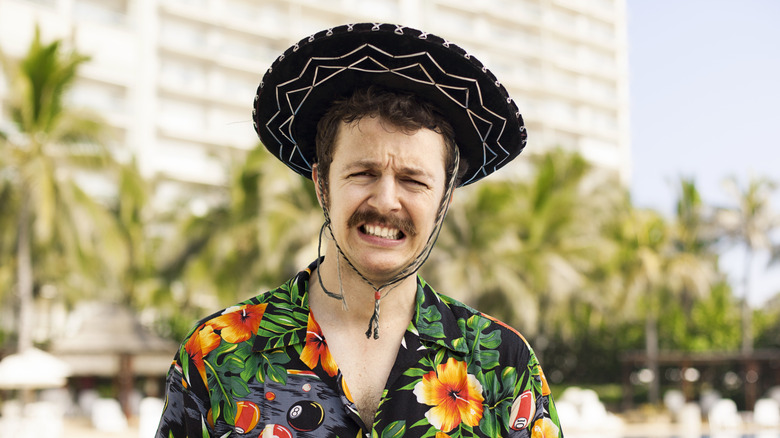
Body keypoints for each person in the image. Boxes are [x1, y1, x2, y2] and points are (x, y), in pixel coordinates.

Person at [156, 23, 563, 438]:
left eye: (413, 180)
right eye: (363, 172)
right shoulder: (215, 354)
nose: (386, 201)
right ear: (322, 184)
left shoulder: (503, 363)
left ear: (445, 200)